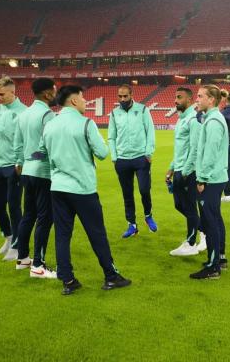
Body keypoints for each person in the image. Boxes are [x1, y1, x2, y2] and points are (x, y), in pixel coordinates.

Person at [38, 85, 131, 294]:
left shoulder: (50, 125)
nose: (85, 101)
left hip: (58, 187)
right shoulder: (86, 124)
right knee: (97, 233)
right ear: (73, 101)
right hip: (82, 189)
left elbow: (41, 152)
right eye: (82, 98)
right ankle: (111, 276)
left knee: (62, 234)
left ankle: (68, 281)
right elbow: (102, 153)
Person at [12, 78, 57, 278]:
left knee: (28, 214)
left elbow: (17, 144)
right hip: (43, 172)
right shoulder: (47, 115)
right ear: (47, 93)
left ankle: (22, 259)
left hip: (27, 171)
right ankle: (38, 266)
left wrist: (20, 163)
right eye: (54, 90)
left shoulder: (24, 114)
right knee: (45, 218)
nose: (56, 93)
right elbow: (52, 145)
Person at [0, 76, 27, 261]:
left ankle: (17, 245)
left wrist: (20, 163)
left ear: (12, 92)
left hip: (14, 166)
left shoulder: (24, 112)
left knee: (14, 206)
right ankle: (9, 237)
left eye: (1, 94)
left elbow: (26, 140)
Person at [108, 84, 157, 238]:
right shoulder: (114, 113)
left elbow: (150, 131)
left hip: (140, 157)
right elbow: (111, 137)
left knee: (144, 189)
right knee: (127, 194)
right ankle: (132, 225)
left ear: (131, 95)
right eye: (120, 96)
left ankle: (148, 215)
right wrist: (115, 157)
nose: (122, 99)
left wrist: (148, 153)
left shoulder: (142, 110)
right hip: (122, 160)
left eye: (125, 96)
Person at [191, 85, 229, 279]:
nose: (196, 99)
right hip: (216, 177)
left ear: (211, 100)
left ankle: (213, 266)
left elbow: (210, 153)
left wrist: (201, 178)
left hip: (211, 179)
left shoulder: (213, 121)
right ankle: (219, 258)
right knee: (214, 217)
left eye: (200, 96)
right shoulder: (212, 118)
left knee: (210, 221)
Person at [166, 87, 207, 256]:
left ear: (189, 100)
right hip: (179, 169)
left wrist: (185, 172)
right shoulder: (181, 118)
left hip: (188, 172)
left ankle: (191, 244)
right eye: (175, 97)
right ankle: (204, 231)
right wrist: (172, 167)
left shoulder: (193, 119)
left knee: (189, 207)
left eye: (179, 97)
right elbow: (180, 149)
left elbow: (195, 148)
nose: (175, 100)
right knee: (179, 205)